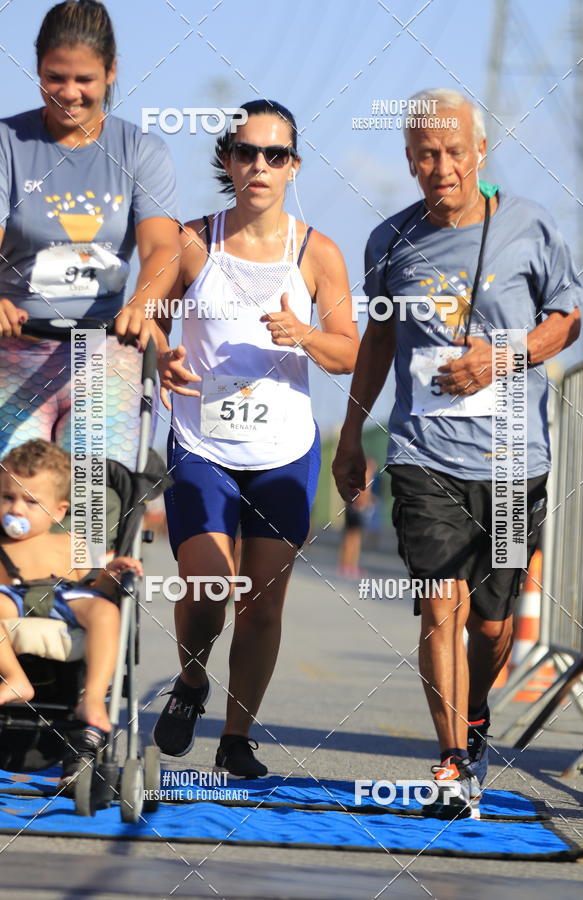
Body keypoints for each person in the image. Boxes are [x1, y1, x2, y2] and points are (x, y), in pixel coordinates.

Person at [333, 88, 583, 817]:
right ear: (409, 159)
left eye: (452, 152)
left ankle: (474, 715)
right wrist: (350, 435)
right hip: (424, 453)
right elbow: (379, 341)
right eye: (425, 154)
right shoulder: (389, 241)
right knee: (441, 604)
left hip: (511, 460)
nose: (440, 167)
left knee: (494, 625)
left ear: (480, 151)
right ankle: (450, 760)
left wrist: (501, 357)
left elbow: (567, 320)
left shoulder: (530, 226)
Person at [151, 99, 359, 777]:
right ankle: (191, 679)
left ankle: (236, 738)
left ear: (294, 166)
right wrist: (160, 354)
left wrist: (306, 335)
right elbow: (145, 318)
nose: (259, 165)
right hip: (203, 442)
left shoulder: (317, 252)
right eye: (246, 152)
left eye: (275, 154)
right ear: (228, 161)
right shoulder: (190, 241)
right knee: (208, 585)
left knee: (262, 603)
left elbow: (348, 352)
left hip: (283, 450)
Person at [0, 0, 179, 469]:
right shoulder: (6, 144)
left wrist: (141, 303)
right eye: (54, 77)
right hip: (15, 350)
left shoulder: (141, 149)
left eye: (85, 79)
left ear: (111, 71)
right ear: (37, 68)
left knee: (92, 501)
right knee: (21, 498)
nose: (69, 92)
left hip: (104, 352)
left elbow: (162, 246)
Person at [0, 439, 143, 734]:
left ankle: (93, 698)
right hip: (13, 596)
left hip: (64, 595)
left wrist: (110, 575)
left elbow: (92, 585)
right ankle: (15, 678)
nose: (16, 509)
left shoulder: (70, 542)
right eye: (7, 497)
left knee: (105, 611)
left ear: (58, 511)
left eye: (31, 502)